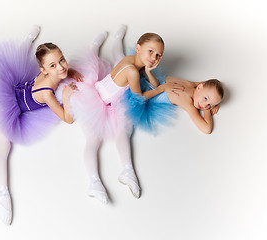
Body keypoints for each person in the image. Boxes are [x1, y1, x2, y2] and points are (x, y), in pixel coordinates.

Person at [63, 25, 180, 204]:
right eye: (151, 52)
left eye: (158, 55)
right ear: (138, 48)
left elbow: (152, 83)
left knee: (124, 130)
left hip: (112, 99)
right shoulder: (132, 71)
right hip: (95, 99)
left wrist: (149, 71)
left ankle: (127, 170)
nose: (154, 58)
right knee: (93, 140)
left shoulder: (133, 62)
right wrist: (162, 88)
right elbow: (139, 97)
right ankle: (94, 182)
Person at [0, 26, 81, 225]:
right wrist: (66, 97)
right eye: (53, 66)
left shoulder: (52, 74)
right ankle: (2, 195)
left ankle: (28, 41)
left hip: (20, 90)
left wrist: (68, 71)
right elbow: (68, 118)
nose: (61, 68)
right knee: (4, 147)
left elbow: (61, 71)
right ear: (44, 70)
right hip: (3, 105)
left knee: (22, 63)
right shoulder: (48, 93)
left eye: (62, 60)